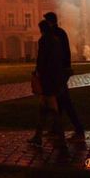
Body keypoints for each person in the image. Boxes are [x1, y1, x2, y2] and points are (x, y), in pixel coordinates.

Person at [44, 11, 85, 141]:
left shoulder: (54, 34)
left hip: (58, 73)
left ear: (49, 21)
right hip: (61, 71)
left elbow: (57, 54)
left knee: (65, 102)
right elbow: (66, 52)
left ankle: (79, 130)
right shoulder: (60, 32)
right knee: (60, 102)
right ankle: (56, 129)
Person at [29, 19, 66, 149]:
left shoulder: (44, 41)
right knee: (43, 108)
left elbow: (41, 60)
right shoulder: (55, 40)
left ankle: (60, 137)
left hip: (47, 79)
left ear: (42, 29)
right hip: (55, 77)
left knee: (52, 108)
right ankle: (38, 136)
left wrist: (37, 72)